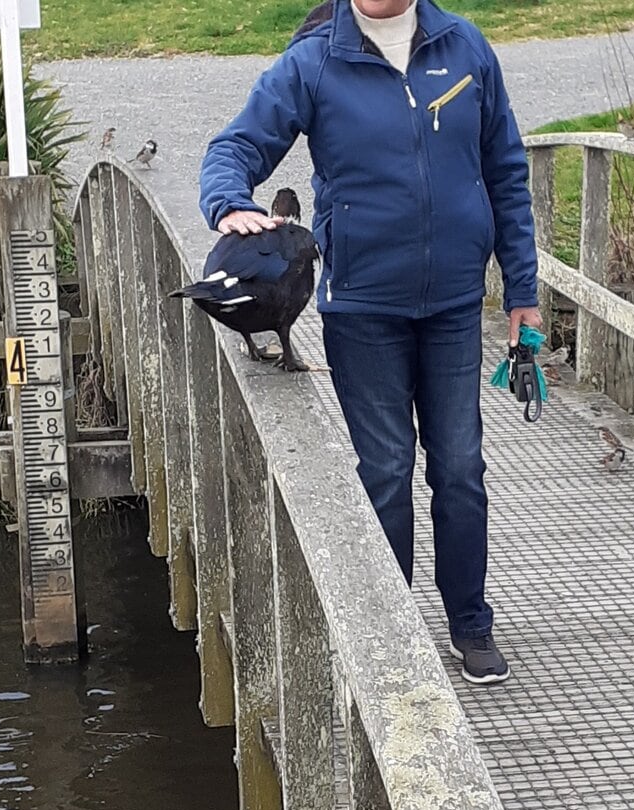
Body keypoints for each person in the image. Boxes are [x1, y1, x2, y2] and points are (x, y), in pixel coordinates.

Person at [198, 0, 542, 687]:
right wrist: (229, 202)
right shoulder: (315, 60)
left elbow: (506, 170)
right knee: (385, 471)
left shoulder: (465, 49)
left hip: (452, 307)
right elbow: (233, 148)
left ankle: (470, 624)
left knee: (460, 468)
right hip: (363, 311)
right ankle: (394, 635)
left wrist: (523, 294)